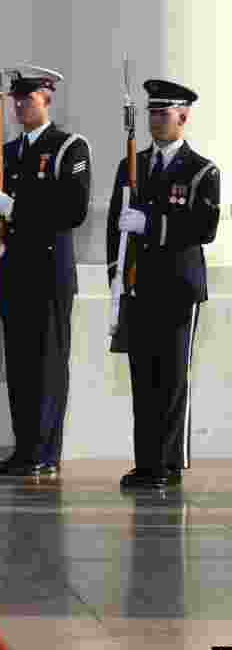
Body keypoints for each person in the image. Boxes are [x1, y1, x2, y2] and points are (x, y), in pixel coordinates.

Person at [107, 79, 220, 489]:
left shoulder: (202, 170)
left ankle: (168, 465)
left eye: (163, 113)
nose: (156, 120)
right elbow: (114, 228)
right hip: (140, 286)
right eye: (152, 113)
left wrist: (152, 223)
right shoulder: (131, 165)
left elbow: (204, 227)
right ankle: (147, 461)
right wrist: (115, 280)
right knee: (143, 378)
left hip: (178, 289)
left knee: (171, 377)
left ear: (183, 117)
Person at [0, 65, 92, 478]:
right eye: (15, 99)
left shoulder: (69, 148)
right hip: (15, 272)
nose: (18, 106)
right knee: (21, 365)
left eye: (26, 99)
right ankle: (25, 446)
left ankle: (46, 451)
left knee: (47, 362)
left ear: (47, 99)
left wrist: (17, 209)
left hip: (49, 271)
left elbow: (74, 209)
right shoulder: (8, 152)